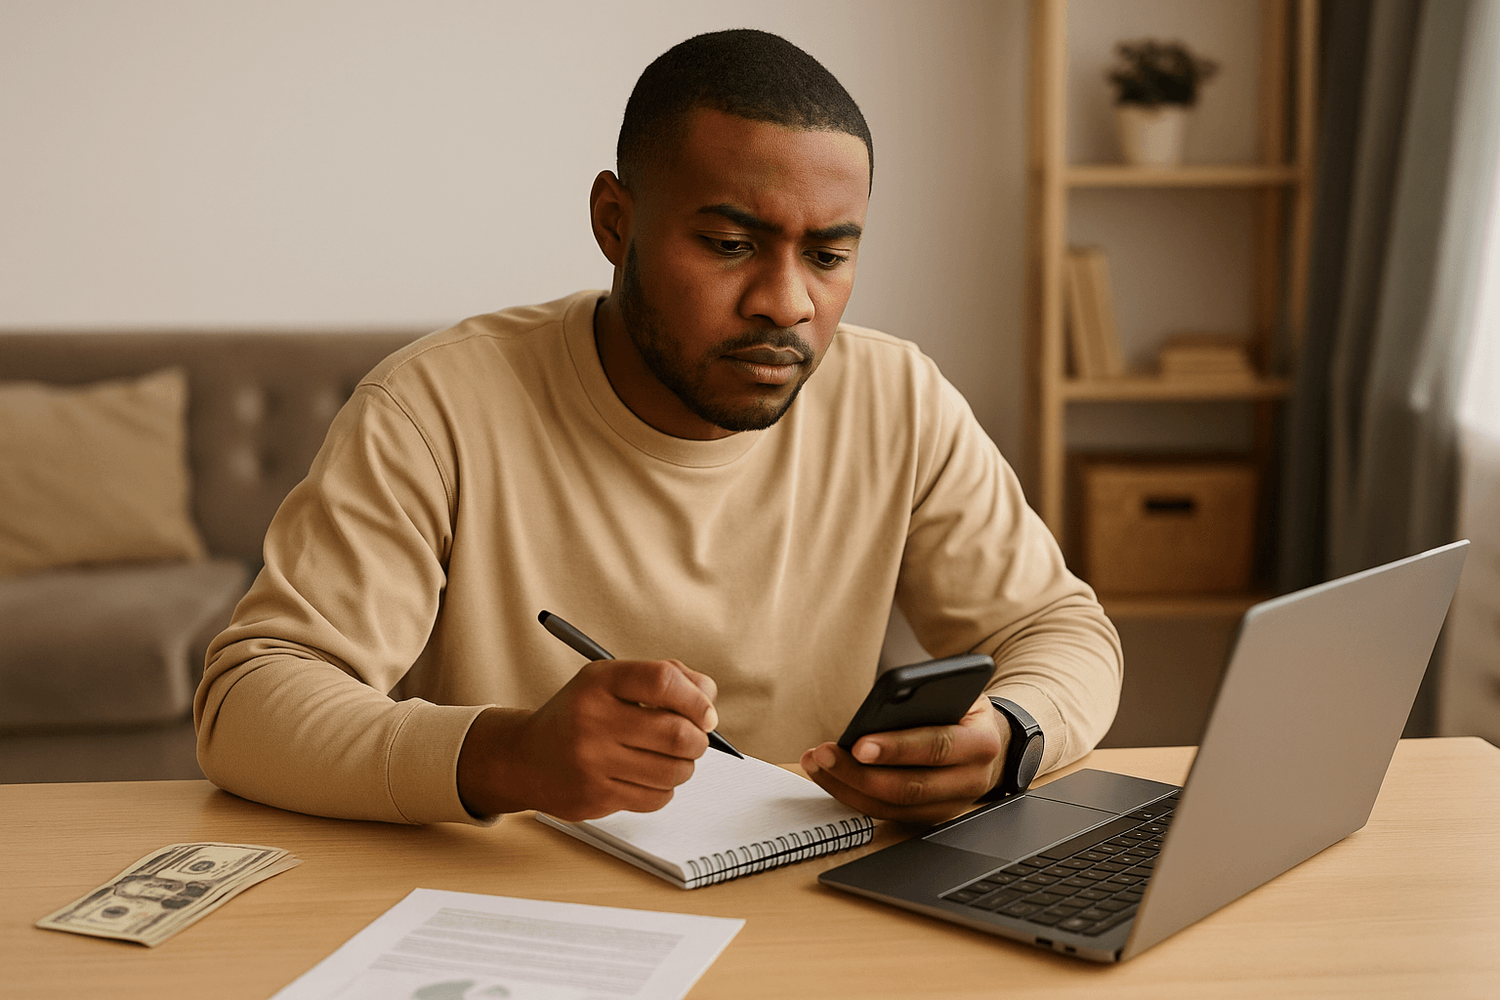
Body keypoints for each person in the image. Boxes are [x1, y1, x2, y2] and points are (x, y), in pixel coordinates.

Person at [194, 28, 1122, 828]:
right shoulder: (432, 408)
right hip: (517, 907)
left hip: (808, 904)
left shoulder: (899, 399)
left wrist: (1010, 735)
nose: (788, 303)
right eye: (729, 246)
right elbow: (247, 702)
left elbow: (1061, 629)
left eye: (831, 255)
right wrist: (506, 755)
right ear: (615, 222)